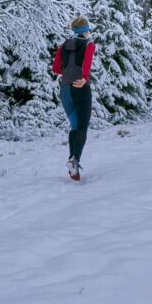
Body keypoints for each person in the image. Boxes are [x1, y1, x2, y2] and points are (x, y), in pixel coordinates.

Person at [52, 16, 96, 181]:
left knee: (74, 126)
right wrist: (83, 77)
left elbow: (56, 69)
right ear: (85, 30)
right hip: (80, 87)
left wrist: (68, 71)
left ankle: (73, 163)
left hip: (65, 90)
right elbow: (87, 62)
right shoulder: (89, 44)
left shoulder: (63, 46)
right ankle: (75, 158)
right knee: (83, 127)